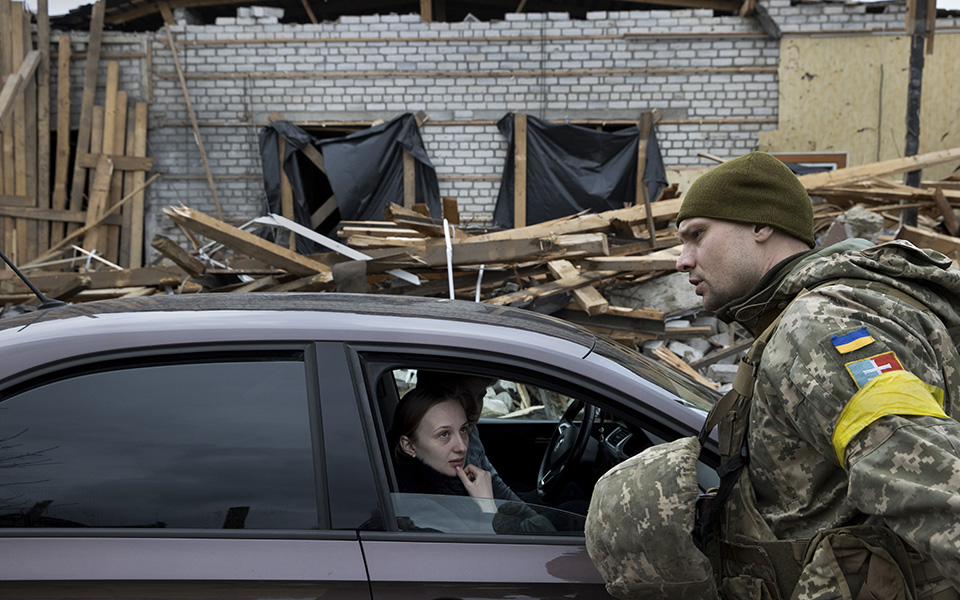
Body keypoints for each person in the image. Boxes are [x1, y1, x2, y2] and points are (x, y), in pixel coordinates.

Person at [672, 151, 960, 598]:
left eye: (697, 235)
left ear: (760, 225)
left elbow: (933, 481)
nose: (682, 260)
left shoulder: (818, 327)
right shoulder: (805, 314)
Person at [390, 385, 554, 534]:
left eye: (462, 430)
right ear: (409, 446)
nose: (461, 447)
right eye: (444, 434)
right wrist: (487, 507)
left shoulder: (454, 480)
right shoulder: (419, 508)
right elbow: (490, 559)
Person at [415, 370, 523, 502]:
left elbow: (494, 484)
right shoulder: (421, 482)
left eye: (480, 397)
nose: (475, 408)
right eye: (463, 396)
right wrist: (487, 506)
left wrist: (534, 519)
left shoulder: (469, 431)